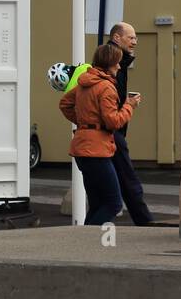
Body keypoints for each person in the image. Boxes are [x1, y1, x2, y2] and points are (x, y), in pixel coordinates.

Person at [58, 42, 136, 226]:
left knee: (97, 203)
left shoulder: (85, 82)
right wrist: (129, 106)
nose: (119, 66)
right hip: (97, 150)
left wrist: (84, 122)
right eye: (117, 62)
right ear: (109, 63)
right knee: (113, 203)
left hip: (82, 148)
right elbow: (113, 121)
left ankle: (84, 241)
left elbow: (65, 103)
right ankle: (86, 238)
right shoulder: (106, 87)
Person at [106, 22, 154, 226]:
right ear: (117, 38)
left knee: (110, 192)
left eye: (135, 38)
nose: (135, 42)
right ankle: (145, 223)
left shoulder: (119, 63)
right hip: (112, 133)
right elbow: (111, 111)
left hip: (109, 134)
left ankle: (92, 229)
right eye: (131, 37)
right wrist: (129, 106)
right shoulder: (111, 65)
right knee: (127, 183)